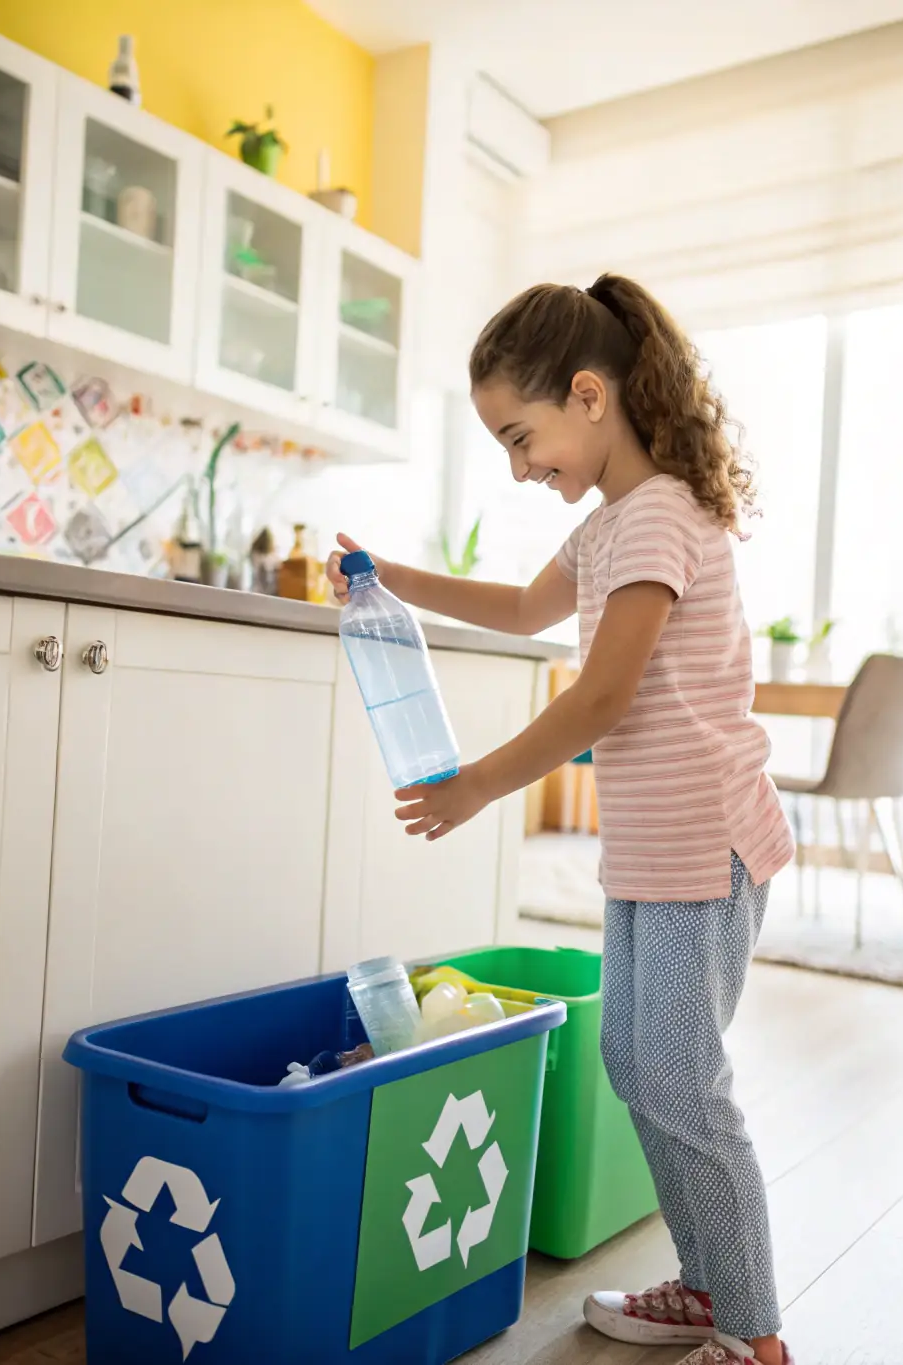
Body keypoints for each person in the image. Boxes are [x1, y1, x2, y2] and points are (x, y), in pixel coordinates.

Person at [326, 274, 795, 1365]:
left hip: (705, 841)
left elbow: (600, 697)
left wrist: (476, 786)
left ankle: (756, 1330)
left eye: (519, 435)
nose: (516, 464)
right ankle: (710, 1286)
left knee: (679, 1079)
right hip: (654, 845)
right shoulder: (608, 530)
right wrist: (386, 574)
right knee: (640, 1066)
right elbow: (524, 611)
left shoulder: (658, 516)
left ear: (588, 395)